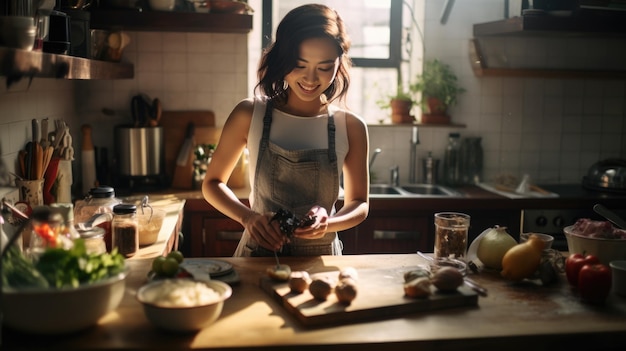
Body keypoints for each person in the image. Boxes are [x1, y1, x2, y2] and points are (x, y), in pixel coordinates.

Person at [202, 3, 369, 257]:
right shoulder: (249, 114)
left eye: (324, 67)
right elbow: (212, 184)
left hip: (321, 262)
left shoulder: (352, 127)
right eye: (299, 65)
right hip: (257, 256)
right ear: (282, 58)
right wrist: (248, 218)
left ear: (339, 63)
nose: (311, 79)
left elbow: (359, 204)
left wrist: (328, 224)